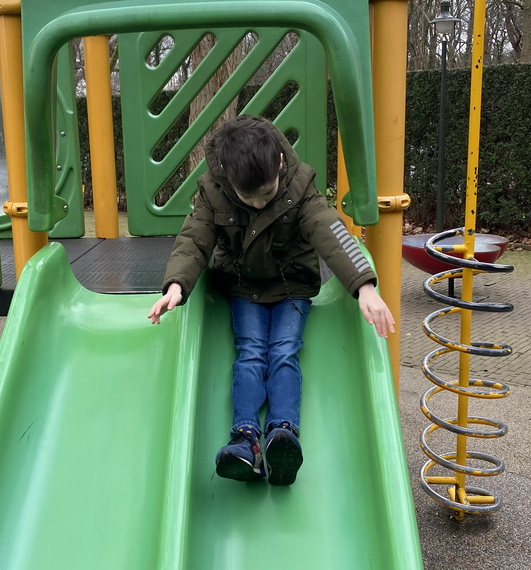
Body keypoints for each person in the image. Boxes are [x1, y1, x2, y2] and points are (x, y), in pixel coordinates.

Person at [148, 115, 394, 486]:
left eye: (267, 192)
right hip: (243, 287)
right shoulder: (213, 192)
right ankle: (245, 439)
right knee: (249, 353)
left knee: (283, 351)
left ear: (279, 161)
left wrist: (364, 286)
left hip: (291, 286)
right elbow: (194, 238)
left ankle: (283, 436)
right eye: (250, 197)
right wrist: (177, 285)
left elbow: (331, 231)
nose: (260, 202)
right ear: (229, 178)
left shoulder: (300, 185)